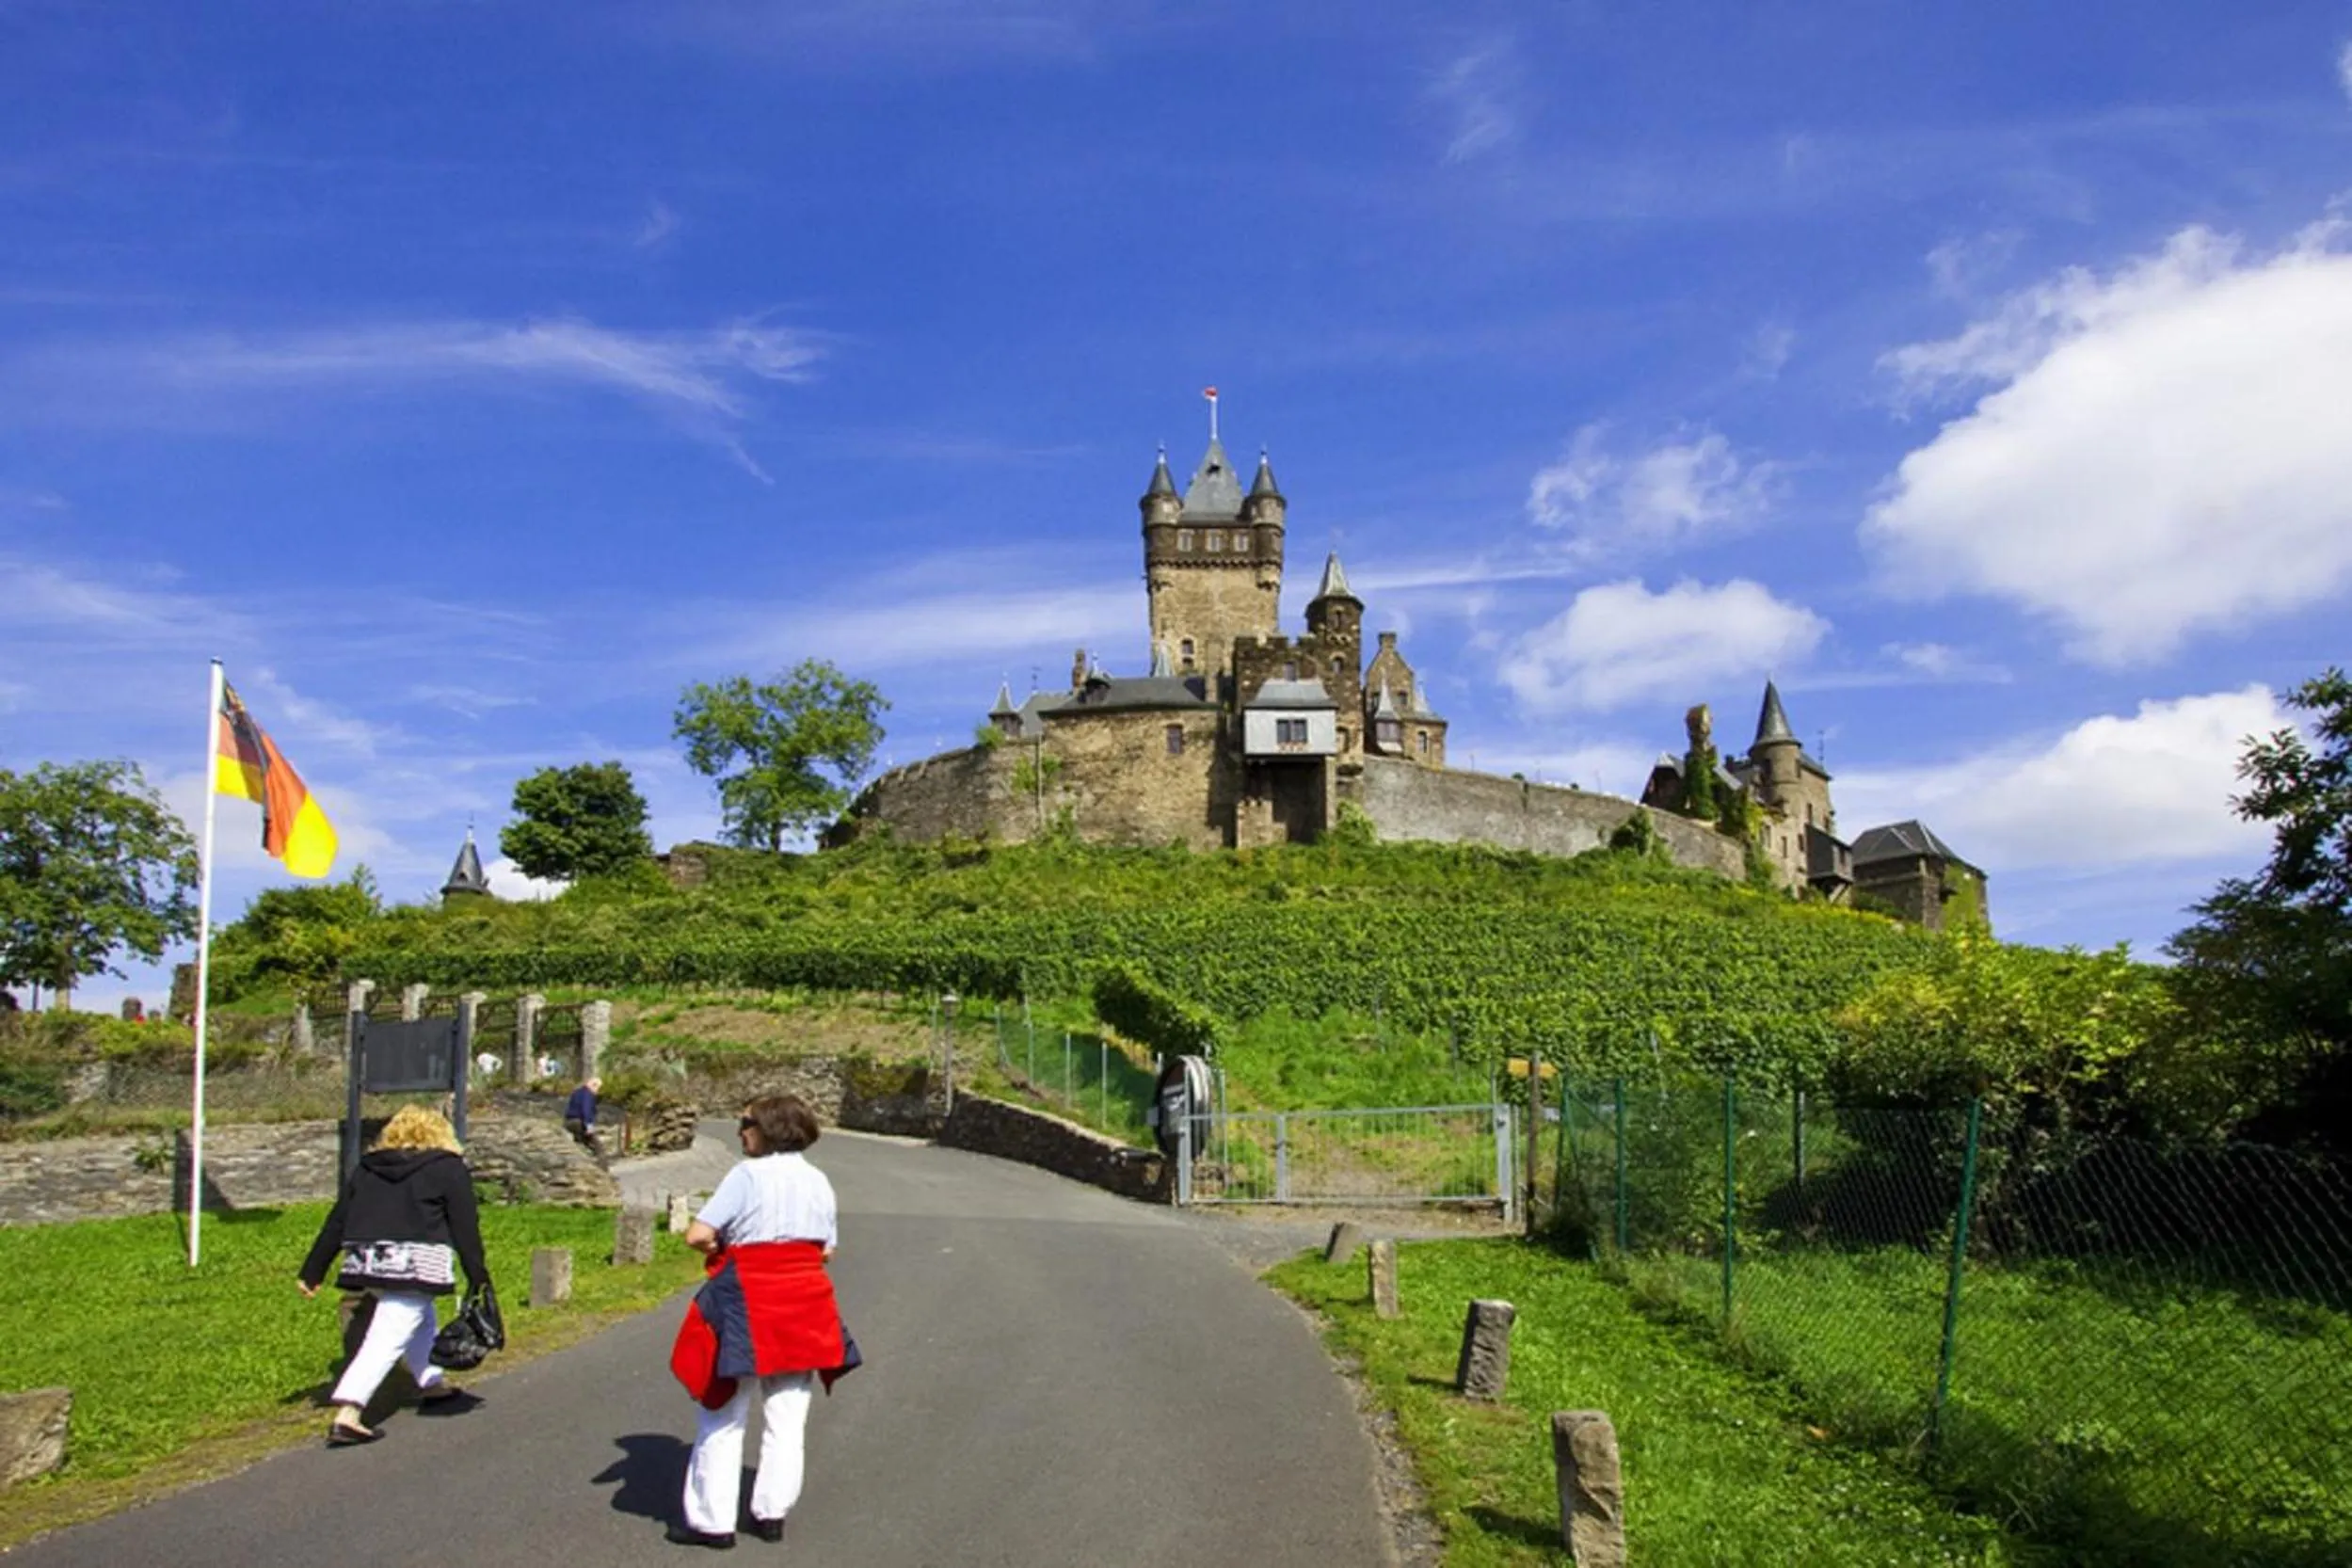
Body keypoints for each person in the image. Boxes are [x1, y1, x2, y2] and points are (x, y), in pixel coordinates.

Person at [666, 1095, 856, 1548]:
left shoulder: (746, 1176)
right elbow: (826, 1249)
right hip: (805, 1300)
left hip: (750, 1298)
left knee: (725, 1410)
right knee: (788, 1415)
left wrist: (717, 1248)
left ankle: (713, 1521)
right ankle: (772, 1513)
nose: (740, 1131)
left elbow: (698, 1233)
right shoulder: (818, 1181)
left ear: (767, 1128)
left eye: (745, 1122)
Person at [298, 1104, 491, 1447]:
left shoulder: (368, 1169)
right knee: (388, 1335)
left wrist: (313, 1270)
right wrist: (477, 1274)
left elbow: (338, 1219)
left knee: (419, 1319)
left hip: (366, 1261)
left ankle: (432, 1384)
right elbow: (465, 1226)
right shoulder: (447, 1169)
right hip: (415, 1264)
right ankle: (349, 1411)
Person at [564, 1075, 601, 1150]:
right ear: (593, 1085)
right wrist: (589, 1126)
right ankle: (601, 1160)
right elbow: (586, 1110)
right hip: (579, 1122)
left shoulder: (578, 1092)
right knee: (597, 1145)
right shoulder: (588, 1094)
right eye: (598, 1088)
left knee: (583, 1142)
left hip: (569, 1122)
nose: (597, 1091)